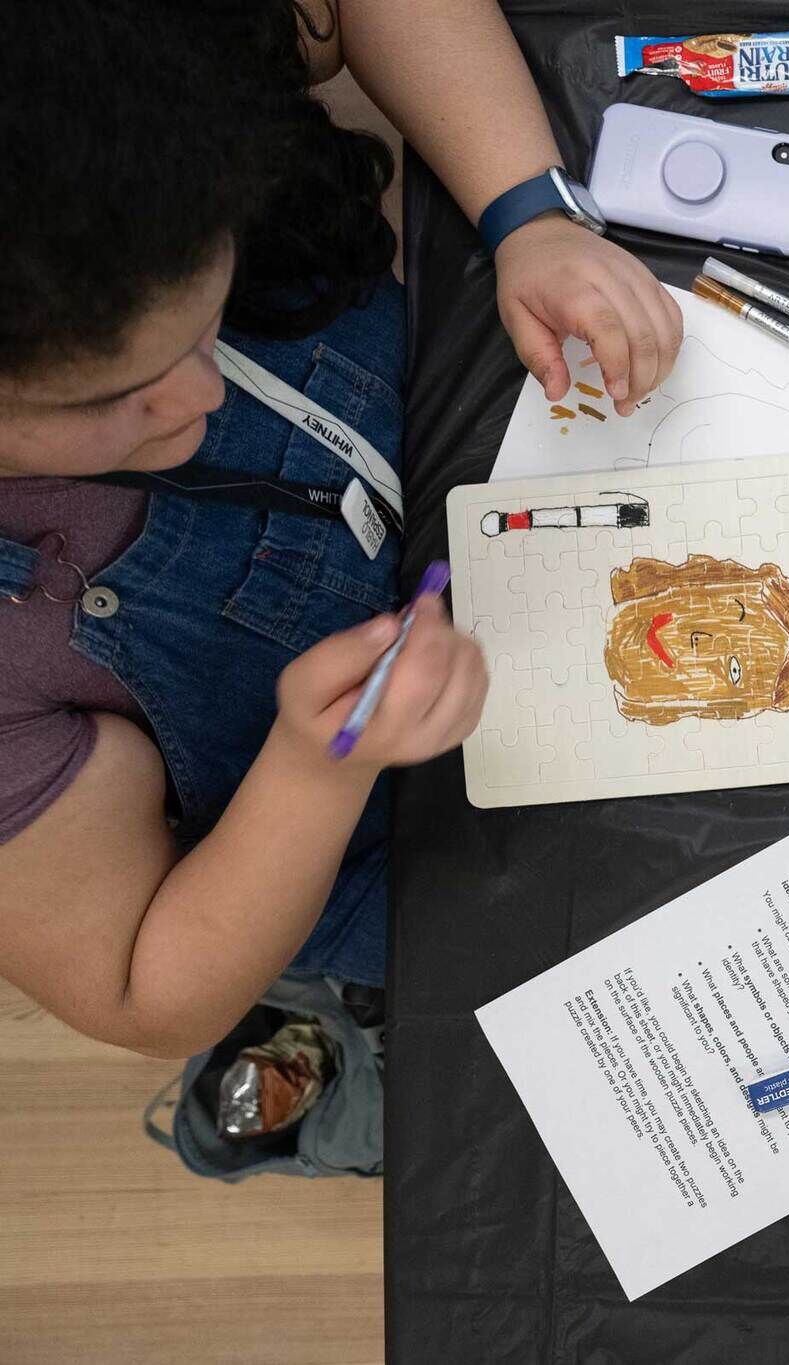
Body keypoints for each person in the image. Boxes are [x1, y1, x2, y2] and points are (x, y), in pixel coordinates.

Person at [0, 1, 680, 1062]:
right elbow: (144, 989)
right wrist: (319, 767)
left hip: (498, 478)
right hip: (398, 837)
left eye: (208, 322)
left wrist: (528, 214)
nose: (202, 398)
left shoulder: (98, 88)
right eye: (114, 400)